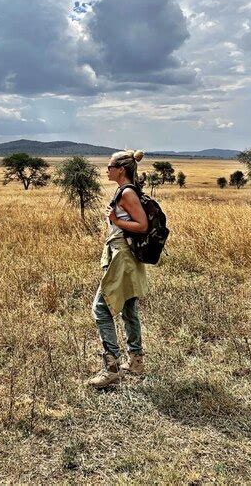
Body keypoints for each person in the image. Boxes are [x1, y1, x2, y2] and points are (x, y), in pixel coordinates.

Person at [86, 149, 149, 389]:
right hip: (125, 254)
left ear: (121, 169)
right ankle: (136, 362)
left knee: (101, 308)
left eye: (110, 166)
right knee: (129, 307)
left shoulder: (128, 192)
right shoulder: (127, 191)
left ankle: (111, 368)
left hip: (123, 254)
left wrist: (115, 220)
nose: (107, 169)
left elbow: (141, 225)